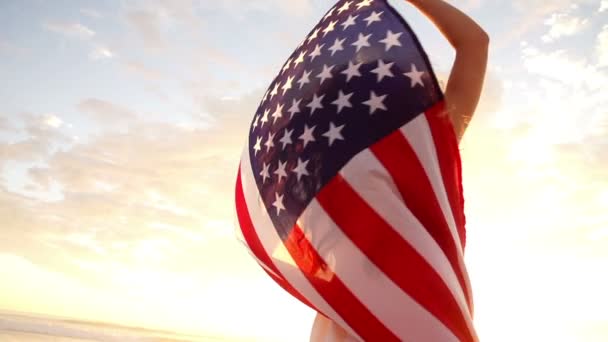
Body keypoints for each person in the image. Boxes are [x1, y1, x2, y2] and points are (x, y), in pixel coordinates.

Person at [309, 0, 488, 340]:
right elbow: (474, 43)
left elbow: (475, 44)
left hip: (358, 319)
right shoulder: (424, 148)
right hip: (403, 318)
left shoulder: (330, 168)